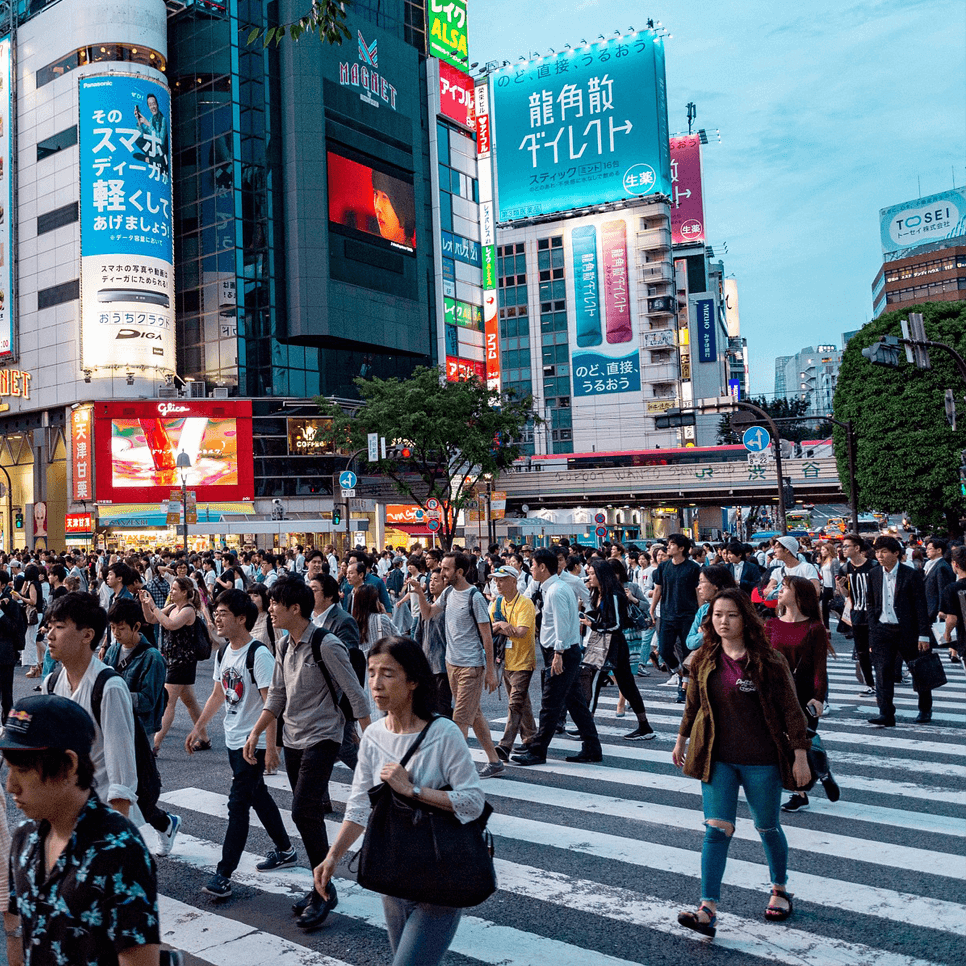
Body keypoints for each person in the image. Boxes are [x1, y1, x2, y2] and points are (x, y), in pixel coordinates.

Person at [314, 637, 484, 966]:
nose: (375, 684)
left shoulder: (443, 733)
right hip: (394, 873)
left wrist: (412, 790)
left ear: (413, 682)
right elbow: (360, 805)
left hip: (441, 877)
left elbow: (473, 802)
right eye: (372, 672)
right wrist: (332, 857)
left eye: (388, 674)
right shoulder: (374, 736)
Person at [672, 588, 811, 937]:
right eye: (718, 615)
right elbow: (694, 704)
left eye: (731, 615)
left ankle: (779, 889)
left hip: (761, 759)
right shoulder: (703, 657)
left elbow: (792, 712)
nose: (723, 621)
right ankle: (707, 908)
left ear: (745, 618)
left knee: (767, 827)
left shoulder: (769, 660)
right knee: (716, 830)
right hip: (717, 757)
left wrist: (800, 755)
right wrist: (681, 739)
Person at [244, 576, 370, 929]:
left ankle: (324, 891)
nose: (269, 610)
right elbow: (278, 696)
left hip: (324, 735)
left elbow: (354, 693)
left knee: (303, 810)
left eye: (274, 604)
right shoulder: (284, 646)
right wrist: (257, 732)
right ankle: (321, 885)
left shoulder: (326, 644)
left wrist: (370, 737)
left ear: (294, 608)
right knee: (307, 813)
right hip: (294, 736)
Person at [2, 695, 163, 965]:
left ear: (70, 765)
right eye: (8, 769)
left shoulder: (119, 849)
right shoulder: (24, 838)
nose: (10, 786)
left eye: (23, 770)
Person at [186, 590, 294, 899]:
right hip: (234, 739)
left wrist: (270, 747)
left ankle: (223, 874)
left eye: (222, 613)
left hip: (253, 742)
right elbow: (218, 694)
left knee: (238, 804)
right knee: (257, 795)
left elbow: (271, 703)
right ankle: (285, 850)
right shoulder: (224, 653)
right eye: (216, 613)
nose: (216, 618)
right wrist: (198, 727)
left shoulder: (257, 654)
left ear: (241, 619)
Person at [410, 552, 504, 778]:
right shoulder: (449, 593)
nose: (442, 573)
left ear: (460, 572)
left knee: (460, 720)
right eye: (441, 568)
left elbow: (487, 636)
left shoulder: (475, 597)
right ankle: (494, 761)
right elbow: (428, 614)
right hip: (451, 664)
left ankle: (452, 772)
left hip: (471, 667)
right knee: (475, 715)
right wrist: (421, 593)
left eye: (446, 569)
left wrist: (490, 671)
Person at [511, 548, 602, 767]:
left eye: (532, 565)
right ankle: (592, 747)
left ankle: (538, 750)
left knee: (550, 703)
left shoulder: (556, 591)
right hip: (562, 651)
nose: (530, 568)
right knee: (575, 702)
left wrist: (558, 654)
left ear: (542, 567)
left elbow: (562, 624)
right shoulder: (550, 587)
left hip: (561, 652)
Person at [765, 576, 840, 812]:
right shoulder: (771, 625)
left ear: (799, 595)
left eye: (785, 588)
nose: (779, 590)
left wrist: (819, 697)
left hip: (804, 694)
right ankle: (812, 779)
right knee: (782, 742)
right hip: (777, 693)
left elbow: (820, 667)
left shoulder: (814, 628)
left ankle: (812, 780)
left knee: (801, 740)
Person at [579, 558, 655, 740]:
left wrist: (594, 624)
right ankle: (644, 726)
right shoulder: (598, 593)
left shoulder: (613, 594)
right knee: (626, 684)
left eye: (591, 574)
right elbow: (601, 616)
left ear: (601, 575)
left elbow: (616, 624)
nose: (589, 577)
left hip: (613, 644)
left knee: (595, 681)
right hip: (605, 643)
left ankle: (587, 728)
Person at [866, 535, 933, 726]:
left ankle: (925, 708)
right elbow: (871, 603)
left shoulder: (910, 575)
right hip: (882, 629)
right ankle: (886, 713)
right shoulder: (874, 574)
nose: (880, 555)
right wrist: (874, 629)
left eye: (884, 552)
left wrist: (923, 634)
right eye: (877, 552)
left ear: (896, 553)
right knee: (882, 672)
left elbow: (921, 606)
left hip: (907, 630)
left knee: (918, 669)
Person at [141, 576, 211, 755]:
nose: (171, 592)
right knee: (189, 700)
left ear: (184, 592)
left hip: (183, 662)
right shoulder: (173, 607)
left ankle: (154, 745)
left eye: (174, 589)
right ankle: (203, 738)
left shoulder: (189, 611)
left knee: (168, 702)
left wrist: (154, 607)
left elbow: (171, 625)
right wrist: (145, 603)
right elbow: (151, 619)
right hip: (173, 660)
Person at [103, 598, 168, 745]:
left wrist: (115, 694)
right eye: (112, 628)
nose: (115, 633)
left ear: (136, 626)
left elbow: (148, 700)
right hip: (114, 724)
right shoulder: (113, 650)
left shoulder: (153, 658)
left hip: (140, 729)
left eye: (121, 628)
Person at [488, 565, 537, 760]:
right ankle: (531, 738)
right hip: (505, 660)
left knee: (515, 703)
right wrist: (502, 625)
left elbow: (521, 631)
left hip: (523, 661)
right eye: (496, 580)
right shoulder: (497, 603)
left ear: (514, 581)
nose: (498, 584)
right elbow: (490, 629)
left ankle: (505, 745)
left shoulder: (525, 603)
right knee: (522, 702)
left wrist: (501, 627)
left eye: (502, 580)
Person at [650, 533, 702, 701]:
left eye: (671, 544)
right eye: (668, 544)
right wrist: (652, 609)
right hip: (666, 614)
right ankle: (681, 674)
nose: (668, 547)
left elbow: (698, 592)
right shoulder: (663, 567)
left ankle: (685, 687)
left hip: (688, 615)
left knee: (688, 651)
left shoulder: (693, 568)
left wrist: (701, 613)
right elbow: (658, 589)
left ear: (681, 549)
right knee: (664, 650)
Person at [836, 533, 878, 694]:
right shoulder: (845, 568)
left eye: (846, 546)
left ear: (857, 548)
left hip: (874, 614)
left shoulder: (873, 566)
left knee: (877, 650)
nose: (843, 549)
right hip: (857, 614)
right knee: (861, 652)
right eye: (842, 547)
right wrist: (840, 587)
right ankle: (870, 684)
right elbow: (847, 595)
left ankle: (882, 681)